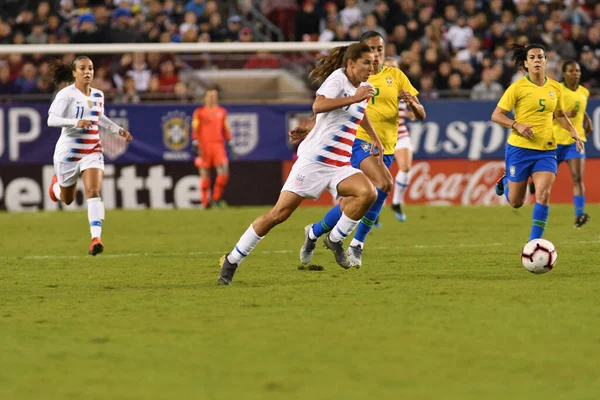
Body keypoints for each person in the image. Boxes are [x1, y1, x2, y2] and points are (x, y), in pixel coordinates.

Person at [218, 43, 383, 285]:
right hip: (314, 162)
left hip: (339, 164)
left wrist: (375, 136)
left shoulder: (364, 89)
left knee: (368, 193)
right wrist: (352, 99)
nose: (371, 67)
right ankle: (232, 260)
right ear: (351, 64)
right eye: (366, 62)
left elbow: (358, 111)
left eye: (373, 62)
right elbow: (319, 105)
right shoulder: (338, 79)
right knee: (278, 215)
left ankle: (335, 239)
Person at [298, 31, 426, 268]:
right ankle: (354, 244)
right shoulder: (354, 78)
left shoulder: (396, 76)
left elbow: (421, 114)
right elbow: (332, 108)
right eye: (371, 49)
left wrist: (413, 104)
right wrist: (310, 127)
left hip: (385, 147)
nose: (376, 55)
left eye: (380, 49)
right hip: (357, 142)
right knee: (384, 184)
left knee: (354, 203)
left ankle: (314, 233)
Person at [491, 44, 583, 242]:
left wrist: (573, 130)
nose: (537, 60)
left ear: (546, 62)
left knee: (544, 194)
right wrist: (517, 125)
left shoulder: (556, 87)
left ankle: (534, 243)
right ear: (526, 63)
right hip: (519, 149)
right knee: (516, 202)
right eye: (532, 58)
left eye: (540, 57)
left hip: (547, 150)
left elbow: (559, 115)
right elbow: (496, 115)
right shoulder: (517, 88)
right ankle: (505, 181)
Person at [46, 56, 133, 255]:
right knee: (66, 198)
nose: (87, 72)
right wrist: (75, 122)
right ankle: (56, 188)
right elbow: (51, 119)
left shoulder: (98, 95)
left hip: (92, 149)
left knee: (93, 191)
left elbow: (98, 117)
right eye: (83, 68)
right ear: (74, 73)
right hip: (68, 153)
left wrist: (117, 130)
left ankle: (96, 238)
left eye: (91, 68)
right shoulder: (65, 95)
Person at [552, 60, 593, 228]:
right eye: (571, 71)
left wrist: (587, 119)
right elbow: (548, 114)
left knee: (577, 177)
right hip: (555, 141)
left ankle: (579, 214)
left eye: (577, 70)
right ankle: (532, 184)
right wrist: (565, 114)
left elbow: (580, 110)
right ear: (564, 73)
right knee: (545, 177)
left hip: (575, 141)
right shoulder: (556, 90)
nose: (575, 73)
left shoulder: (584, 92)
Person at [384, 57, 416, 222]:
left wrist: (412, 111)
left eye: (393, 67)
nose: (390, 70)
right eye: (387, 67)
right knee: (378, 176)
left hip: (401, 134)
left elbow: (413, 110)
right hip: (381, 136)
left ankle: (396, 202)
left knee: (405, 167)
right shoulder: (377, 86)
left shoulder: (403, 89)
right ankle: (372, 208)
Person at [191, 87, 234, 209]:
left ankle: (216, 198)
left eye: (214, 96)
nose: (212, 98)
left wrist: (230, 141)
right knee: (204, 173)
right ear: (205, 97)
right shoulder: (199, 112)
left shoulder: (222, 112)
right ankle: (205, 203)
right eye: (210, 95)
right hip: (204, 146)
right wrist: (195, 142)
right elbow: (195, 128)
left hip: (218, 145)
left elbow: (226, 128)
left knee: (224, 172)